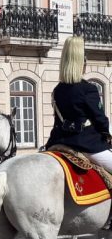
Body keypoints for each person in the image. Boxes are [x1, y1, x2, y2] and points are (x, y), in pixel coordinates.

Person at [46, 35, 112, 171]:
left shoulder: (57, 90)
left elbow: (58, 122)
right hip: (86, 144)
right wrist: (106, 133)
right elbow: (100, 120)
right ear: (81, 63)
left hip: (59, 142)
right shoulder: (88, 89)